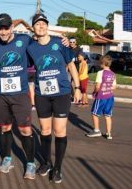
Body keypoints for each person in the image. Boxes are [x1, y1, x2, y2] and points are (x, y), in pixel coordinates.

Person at [27, 13, 81, 184]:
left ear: (47, 25)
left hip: (62, 93)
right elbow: (28, 70)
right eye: (37, 24)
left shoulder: (60, 42)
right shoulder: (31, 48)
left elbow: (71, 65)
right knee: (44, 130)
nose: (41, 26)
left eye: (43, 23)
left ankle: (57, 167)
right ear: (33, 28)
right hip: (42, 94)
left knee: (59, 131)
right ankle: (46, 163)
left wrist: (77, 88)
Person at [0, 13, 37, 179]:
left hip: (20, 93)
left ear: (12, 27)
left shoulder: (25, 39)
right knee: (5, 127)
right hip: (0, 93)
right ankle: (7, 158)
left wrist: (62, 41)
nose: (3, 32)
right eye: (0, 28)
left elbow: (41, 45)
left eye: (6, 28)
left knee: (25, 129)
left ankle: (30, 163)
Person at [86, 55, 116, 140]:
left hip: (101, 97)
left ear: (102, 64)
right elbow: (114, 87)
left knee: (95, 113)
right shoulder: (113, 74)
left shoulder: (100, 73)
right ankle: (109, 133)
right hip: (110, 97)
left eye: (100, 63)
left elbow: (98, 86)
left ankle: (96, 131)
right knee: (108, 115)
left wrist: (94, 92)